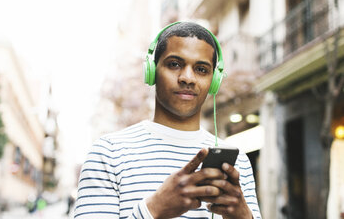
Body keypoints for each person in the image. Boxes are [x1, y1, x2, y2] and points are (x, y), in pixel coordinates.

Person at [74, 22, 261, 218]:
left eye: (201, 69)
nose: (188, 78)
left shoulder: (238, 163)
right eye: (174, 64)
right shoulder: (107, 153)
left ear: (214, 81)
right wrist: (154, 208)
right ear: (152, 71)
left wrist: (243, 216)